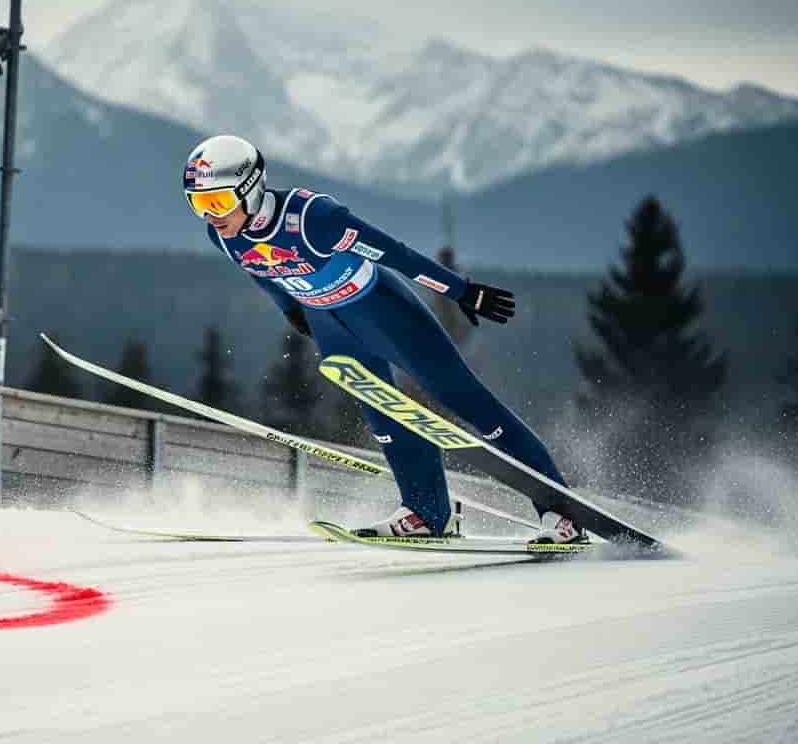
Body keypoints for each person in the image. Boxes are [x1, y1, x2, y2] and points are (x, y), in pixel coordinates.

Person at [183, 134, 585, 544]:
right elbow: (261, 272)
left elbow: (395, 253)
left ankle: (561, 515)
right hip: (330, 325)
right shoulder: (224, 235)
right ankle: (426, 512)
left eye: (217, 202)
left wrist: (460, 290)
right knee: (385, 417)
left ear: (251, 188)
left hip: (382, 311)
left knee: (471, 404)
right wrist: (292, 312)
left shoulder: (314, 218)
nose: (211, 216)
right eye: (198, 205)